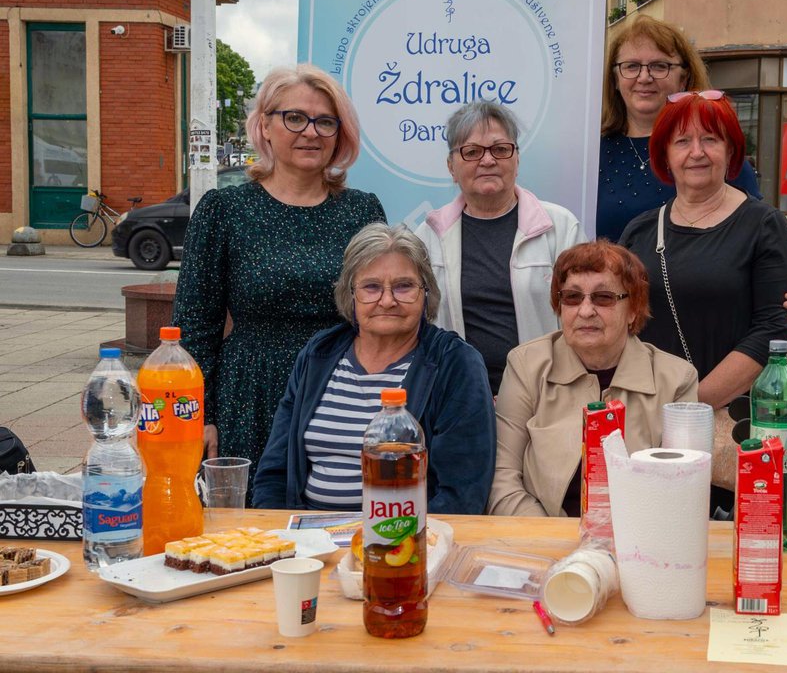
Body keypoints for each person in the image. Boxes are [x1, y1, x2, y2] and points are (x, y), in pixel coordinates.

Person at [173, 64, 386, 481]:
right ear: (265, 126)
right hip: (250, 394)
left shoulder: (363, 211)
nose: (311, 132)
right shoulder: (225, 210)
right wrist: (202, 416)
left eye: (325, 121)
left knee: (338, 521)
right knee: (253, 531)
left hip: (341, 389)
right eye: (294, 117)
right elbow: (194, 327)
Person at [620, 91, 787, 504]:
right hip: (647, 426)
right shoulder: (640, 231)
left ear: (731, 150)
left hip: (726, 424)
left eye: (710, 140)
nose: (696, 152)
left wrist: (687, 410)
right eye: (682, 141)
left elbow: (772, 330)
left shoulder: (763, 225)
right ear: (665, 154)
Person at [254, 224, 494, 513]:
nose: (388, 300)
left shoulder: (455, 363)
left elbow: (461, 493)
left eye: (404, 286)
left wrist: (399, 544)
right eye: (371, 287)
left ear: (426, 292)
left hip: (404, 544)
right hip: (311, 545)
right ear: (350, 294)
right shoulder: (319, 353)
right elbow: (274, 471)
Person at [598, 15, 787, 330]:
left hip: (709, 323)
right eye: (631, 66)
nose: (644, 77)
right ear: (615, 77)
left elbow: (754, 242)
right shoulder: (592, 154)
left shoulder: (718, 158)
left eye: (660, 66)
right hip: (620, 324)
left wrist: (785, 297)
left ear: (684, 77)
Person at [489, 240, 698, 517]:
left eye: (603, 298)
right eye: (572, 298)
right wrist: (554, 541)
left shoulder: (676, 380)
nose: (585, 311)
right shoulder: (526, 365)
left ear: (633, 309)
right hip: (543, 541)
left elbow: (682, 490)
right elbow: (502, 479)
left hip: (638, 543)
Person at [414, 101, 586, 395]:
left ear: (517, 159)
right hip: (459, 397)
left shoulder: (561, 227)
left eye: (500, 149)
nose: (488, 160)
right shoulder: (428, 236)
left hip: (547, 395)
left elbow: (584, 314)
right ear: (451, 167)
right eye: (471, 151)